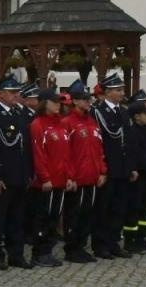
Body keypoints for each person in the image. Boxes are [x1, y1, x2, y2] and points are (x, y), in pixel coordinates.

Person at [0, 75, 34, 270]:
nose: (16, 95)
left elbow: (25, 147)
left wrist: (28, 173)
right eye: (12, 92)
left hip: (20, 175)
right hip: (3, 177)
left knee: (17, 219)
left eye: (17, 92)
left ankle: (16, 255)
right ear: (1, 94)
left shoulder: (19, 114)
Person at [90, 72, 134, 259]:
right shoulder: (97, 112)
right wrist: (102, 168)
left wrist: (131, 167)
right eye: (118, 90)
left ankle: (113, 241)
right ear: (107, 92)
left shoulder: (123, 111)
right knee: (103, 208)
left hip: (123, 167)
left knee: (119, 207)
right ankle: (100, 244)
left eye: (122, 89)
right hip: (108, 167)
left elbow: (129, 141)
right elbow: (97, 143)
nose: (121, 92)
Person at [63, 81, 107, 264]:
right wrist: (70, 176)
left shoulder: (92, 122)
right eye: (84, 99)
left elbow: (99, 149)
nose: (88, 102)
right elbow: (65, 154)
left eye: (88, 98)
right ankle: (72, 248)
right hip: (78, 178)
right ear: (74, 101)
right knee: (75, 215)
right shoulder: (67, 122)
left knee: (87, 214)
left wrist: (103, 171)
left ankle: (81, 245)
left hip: (93, 176)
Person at [28, 87, 71, 267]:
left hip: (60, 179)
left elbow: (67, 153)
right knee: (43, 217)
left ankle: (48, 250)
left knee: (54, 217)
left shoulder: (60, 124)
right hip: (47, 182)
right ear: (45, 103)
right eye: (55, 102)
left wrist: (69, 176)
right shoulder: (38, 124)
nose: (58, 105)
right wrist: (44, 177)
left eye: (59, 102)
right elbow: (38, 153)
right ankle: (39, 252)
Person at [125, 92, 146, 254]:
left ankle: (141, 237)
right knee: (135, 208)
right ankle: (130, 240)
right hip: (140, 175)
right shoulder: (133, 132)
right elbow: (139, 155)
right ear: (137, 116)